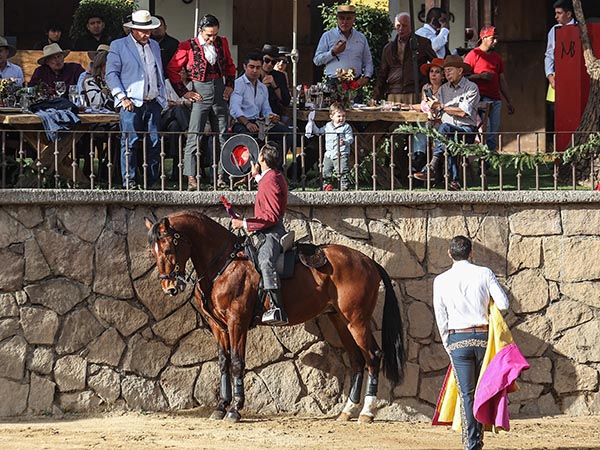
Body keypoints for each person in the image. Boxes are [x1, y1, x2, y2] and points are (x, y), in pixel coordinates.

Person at [433, 235, 510, 450]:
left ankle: (472, 443)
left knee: (466, 394)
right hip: (484, 339)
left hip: (458, 340)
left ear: (450, 254)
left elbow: (441, 317)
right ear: (471, 253)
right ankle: (478, 439)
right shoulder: (484, 273)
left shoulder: (441, 280)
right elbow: (503, 304)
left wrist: (448, 345)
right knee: (483, 390)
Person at [167, 14, 236, 190]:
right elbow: (173, 68)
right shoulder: (188, 45)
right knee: (194, 134)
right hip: (200, 89)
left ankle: (220, 175)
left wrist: (229, 85)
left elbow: (229, 65)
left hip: (219, 89)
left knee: (222, 133)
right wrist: (184, 92)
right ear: (201, 31)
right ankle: (191, 177)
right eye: (208, 35)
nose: (212, 39)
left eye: (214, 35)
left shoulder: (222, 42)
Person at [106, 10, 167, 188]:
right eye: (143, 30)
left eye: (149, 30)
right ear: (132, 29)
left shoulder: (154, 45)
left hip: (152, 100)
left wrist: (161, 97)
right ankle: (129, 181)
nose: (147, 34)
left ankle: (153, 182)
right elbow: (111, 74)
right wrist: (122, 97)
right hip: (131, 101)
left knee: (154, 143)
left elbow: (157, 71)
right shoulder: (118, 45)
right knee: (130, 143)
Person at [231, 143, 289, 326]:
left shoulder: (271, 180)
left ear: (262, 159)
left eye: (259, 157)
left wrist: (244, 223)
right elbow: (265, 184)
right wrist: (255, 175)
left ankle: (277, 308)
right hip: (266, 230)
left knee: (265, 260)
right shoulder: (271, 176)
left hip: (272, 232)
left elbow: (271, 217)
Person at [414, 55, 479, 190]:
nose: (447, 74)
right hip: (448, 132)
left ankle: (432, 166)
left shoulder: (471, 88)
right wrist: (433, 108)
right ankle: (454, 182)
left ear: (460, 71)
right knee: (449, 138)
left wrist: (441, 107)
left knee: (445, 130)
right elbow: (440, 114)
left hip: (466, 130)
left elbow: (463, 112)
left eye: (450, 70)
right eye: (446, 71)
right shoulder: (444, 89)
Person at [464, 25, 515, 152]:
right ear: (484, 38)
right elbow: (463, 77)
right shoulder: (473, 55)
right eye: (493, 38)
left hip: (495, 98)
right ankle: (484, 160)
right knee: (486, 130)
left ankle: (489, 162)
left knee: (493, 132)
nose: (495, 41)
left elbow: (501, 80)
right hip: (480, 99)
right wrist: (479, 76)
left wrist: (509, 101)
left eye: (496, 38)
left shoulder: (497, 58)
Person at [373, 12, 436, 104]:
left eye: (405, 25)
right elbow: (382, 73)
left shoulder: (422, 43)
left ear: (411, 26)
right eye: (398, 26)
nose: (401, 29)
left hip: (416, 91)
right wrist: (376, 96)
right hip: (394, 92)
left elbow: (435, 63)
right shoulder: (389, 48)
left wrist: (432, 86)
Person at [229, 51, 289, 145]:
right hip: (241, 123)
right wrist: (247, 123)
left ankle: (273, 158)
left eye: (258, 68)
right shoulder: (238, 84)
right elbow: (234, 108)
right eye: (251, 67)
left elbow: (266, 109)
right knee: (248, 138)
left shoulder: (262, 87)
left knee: (287, 133)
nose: (254, 71)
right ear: (245, 67)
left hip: (259, 123)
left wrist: (272, 116)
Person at [313, 4, 373, 90]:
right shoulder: (328, 36)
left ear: (354, 19)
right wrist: (333, 52)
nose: (345, 22)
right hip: (334, 84)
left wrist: (366, 77)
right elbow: (317, 60)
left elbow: (368, 62)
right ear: (337, 18)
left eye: (348, 18)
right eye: (341, 18)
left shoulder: (361, 38)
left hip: (355, 83)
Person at [544, 0, 575, 138]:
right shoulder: (554, 30)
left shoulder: (580, 28)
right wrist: (550, 75)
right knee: (555, 110)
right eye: (555, 13)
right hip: (558, 75)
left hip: (575, 76)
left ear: (568, 14)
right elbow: (549, 54)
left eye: (559, 13)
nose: (556, 16)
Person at [409, 57, 446, 170]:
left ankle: (421, 162)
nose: (433, 75)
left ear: (443, 76)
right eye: (431, 71)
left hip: (440, 123)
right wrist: (407, 106)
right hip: (427, 122)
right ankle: (418, 158)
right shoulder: (426, 88)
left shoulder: (446, 89)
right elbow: (423, 106)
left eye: (437, 72)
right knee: (418, 126)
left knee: (422, 127)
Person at [308, 102, 354, 191]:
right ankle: (326, 185)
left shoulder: (346, 127)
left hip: (341, 153)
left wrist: (344, 141)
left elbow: (350, 139)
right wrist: (313, 125)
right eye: (339, 116)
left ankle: (344, 185)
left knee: (342, 170)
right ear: (331, 117)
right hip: (329, 153)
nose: (341, 118)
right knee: (325, 170)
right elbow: (319, 132)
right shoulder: (328, 126)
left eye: (343, 116)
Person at [261, 44, 291, 117]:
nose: (269, 64)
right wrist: (261, 87)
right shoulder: (252, 74)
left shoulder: (279, 76)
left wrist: (274, 85)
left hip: (274, 115)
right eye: (267, 60)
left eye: (273, 62)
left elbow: (286, 101)